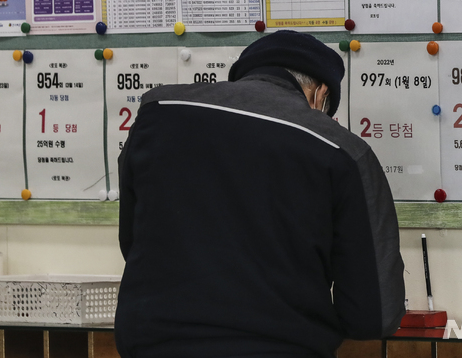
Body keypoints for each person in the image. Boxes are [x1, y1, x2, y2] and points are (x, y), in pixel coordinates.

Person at [116, 30, 405, 358]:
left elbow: (132, 240)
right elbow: (374, 314)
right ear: (320, 93)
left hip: (152, 343)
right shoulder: (344, 150)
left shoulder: (158, 111)